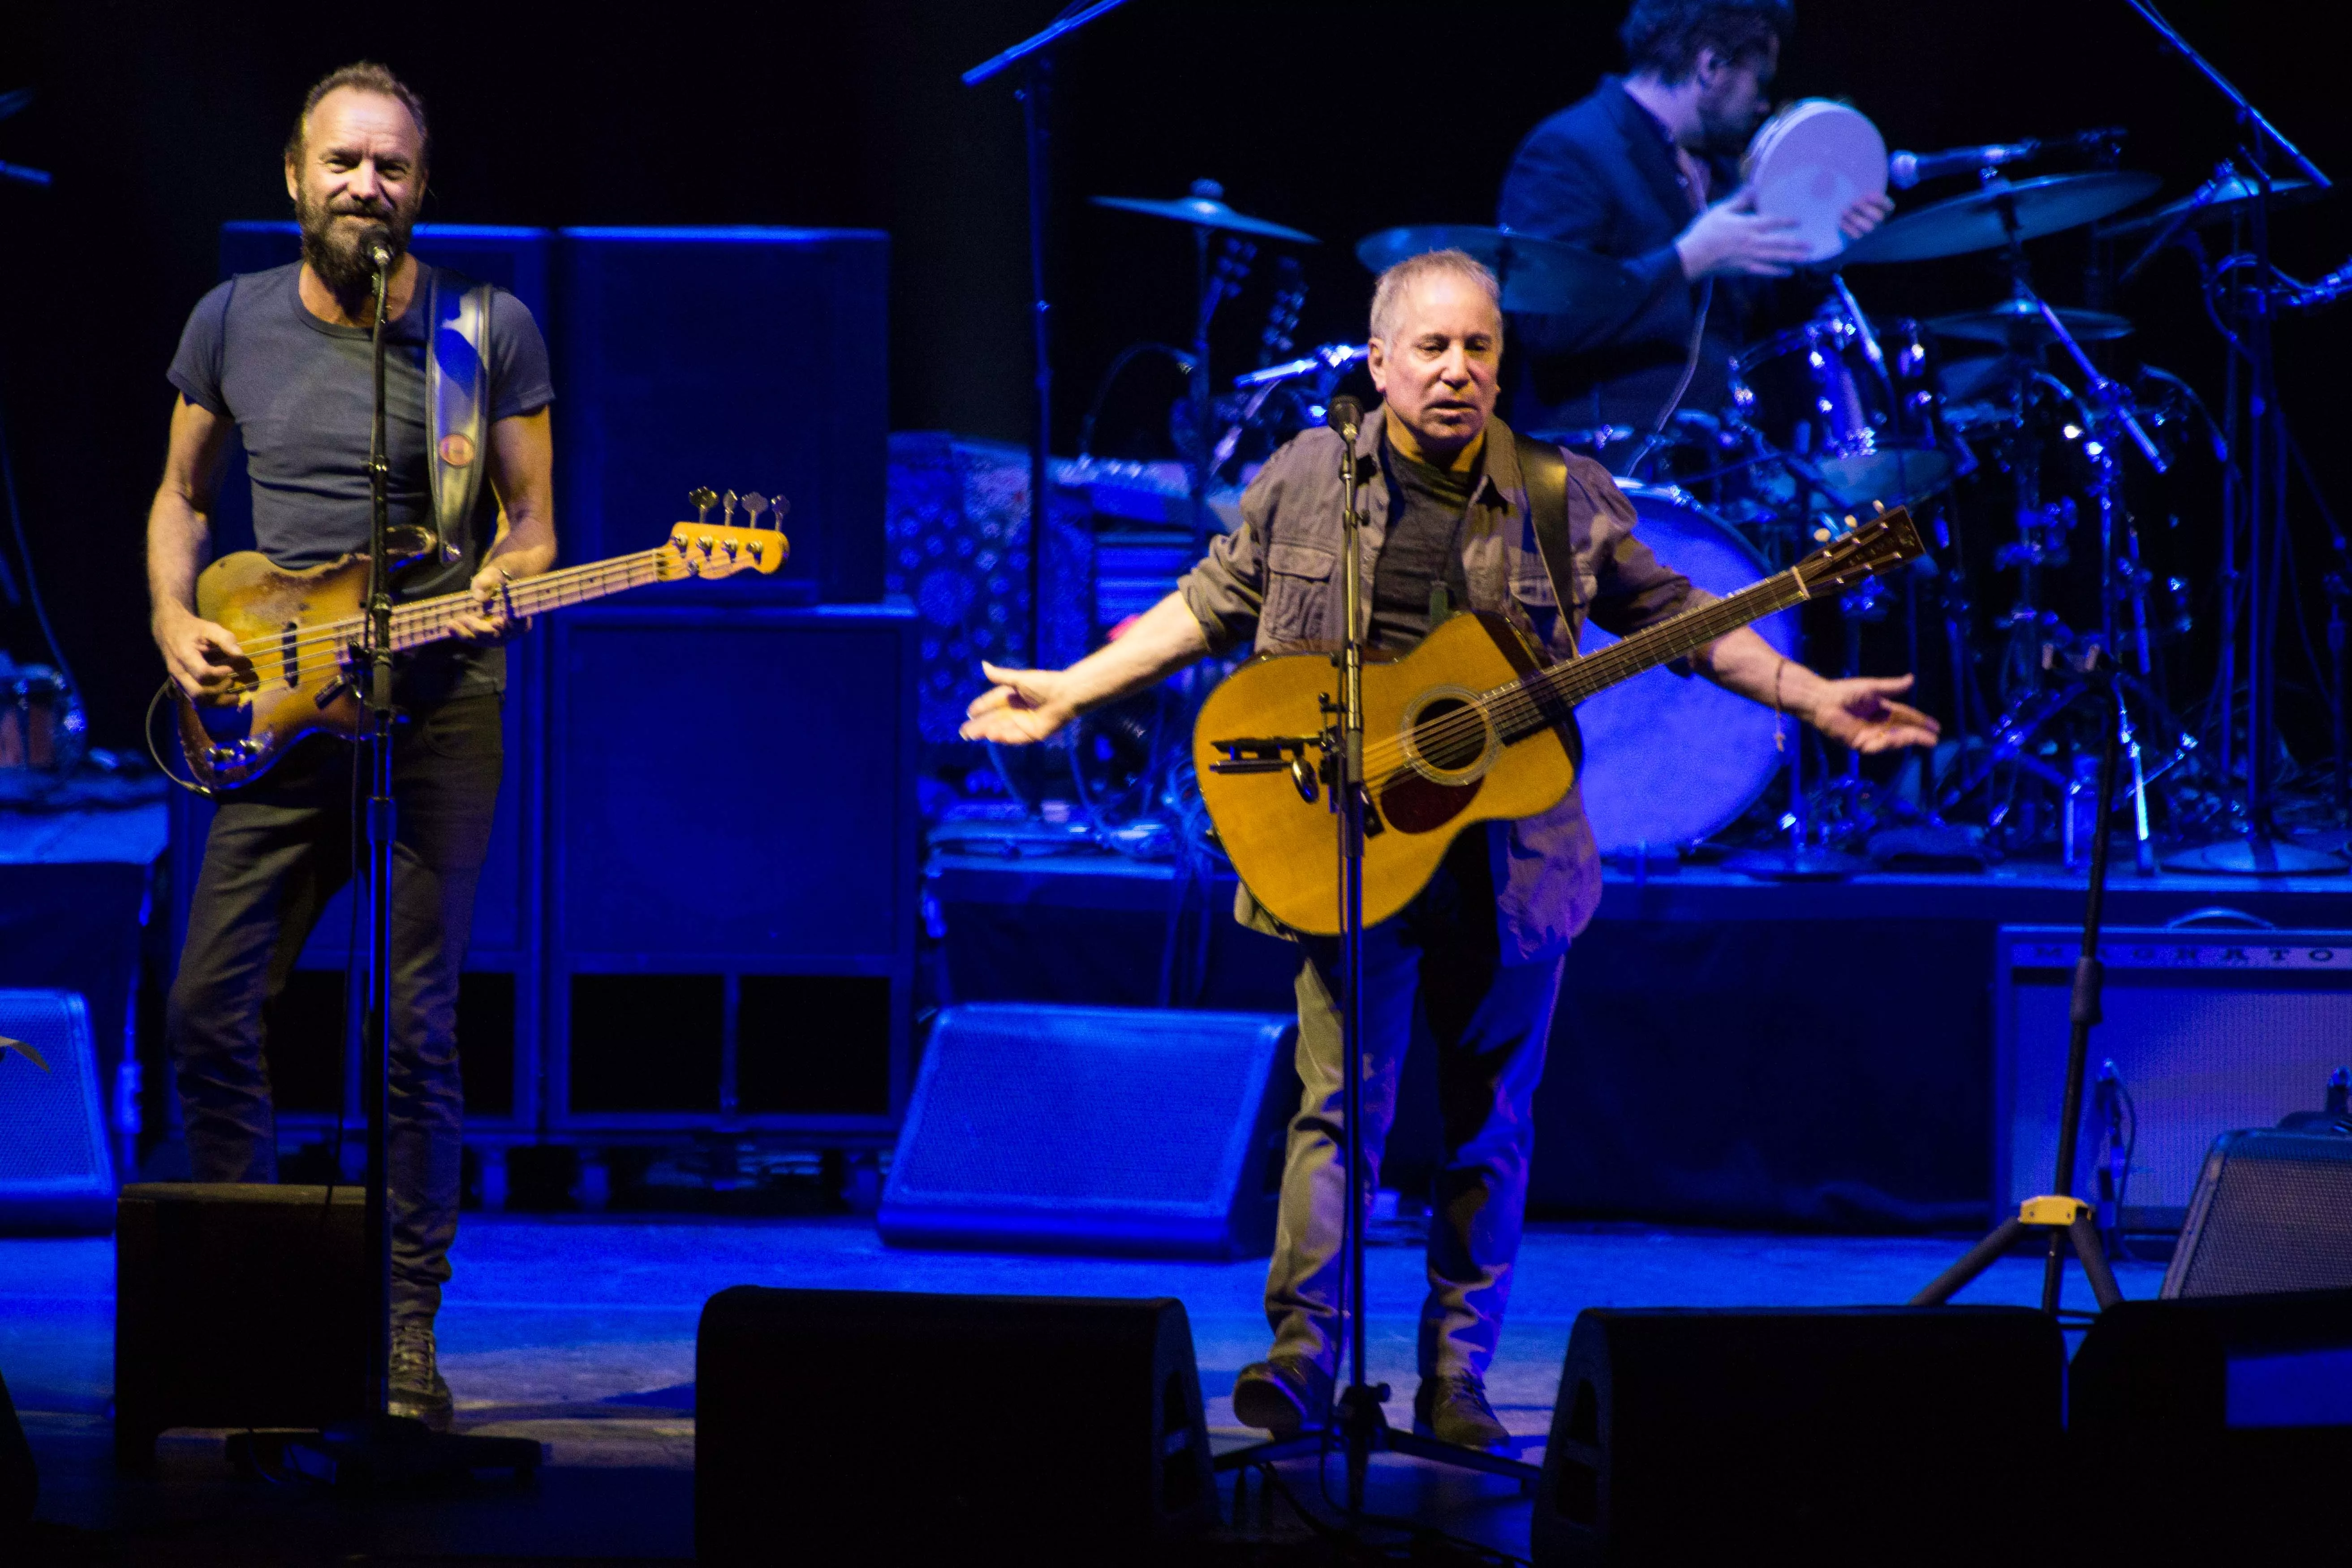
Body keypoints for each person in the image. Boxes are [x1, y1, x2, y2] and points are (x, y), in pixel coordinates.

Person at [962, 250, 1936, 1450]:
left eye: (1479, 348)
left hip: (1512, 861)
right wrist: (1071, 688)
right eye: (1431, 348)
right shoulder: (1307, 476)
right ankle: (1301, 1357)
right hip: (1348, 840)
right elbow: (1210, 602)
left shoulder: (1556, 489)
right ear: (1378, 362)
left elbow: (1679, 620)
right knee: (1337, 1112)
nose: (1458, 371)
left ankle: (1458, 1377)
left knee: (1489, 1128)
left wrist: (1807, 693)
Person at [148, 62, 556, 1430]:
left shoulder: (481, 330)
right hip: (276, 699)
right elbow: (179, 496)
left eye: (390, 167)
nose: (364, 187)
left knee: (414, 1026)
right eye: (342, 163)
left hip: (435, 707)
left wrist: (502, 582)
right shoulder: (230, 320)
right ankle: (251, 1298)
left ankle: (399, 1331)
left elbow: (533, 526)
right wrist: (167, 615)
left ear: (420, 187)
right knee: (207, 1006)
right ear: (293, 178)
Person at [1497, 0, 1893, 450]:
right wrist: (1688, 260)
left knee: (1887, 514)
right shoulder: (1570, 150)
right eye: (1759, 81)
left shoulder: (1726, 172)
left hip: (1720, 474)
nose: (1764, 103)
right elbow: (1545, 325)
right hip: (1596, 479)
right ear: (1711, 66)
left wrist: (1824, 253)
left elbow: (1765, 331)